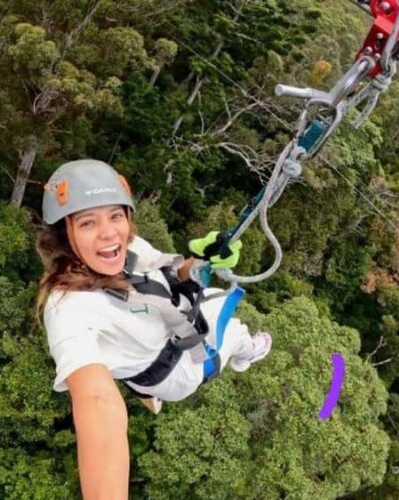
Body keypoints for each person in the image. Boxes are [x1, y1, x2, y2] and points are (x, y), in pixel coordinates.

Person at [35, 159, 271, 499]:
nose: (108, 232)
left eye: (116, 216)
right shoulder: (69, 308)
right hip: (173, 371)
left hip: (163, 330)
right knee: (231, 323)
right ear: (63, 236)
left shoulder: (128, 248)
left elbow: (168, 276)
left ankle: (150, 393)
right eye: (87, 222)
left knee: (210, 294)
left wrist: (201, 261)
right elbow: (97, 401)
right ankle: (245, 352)